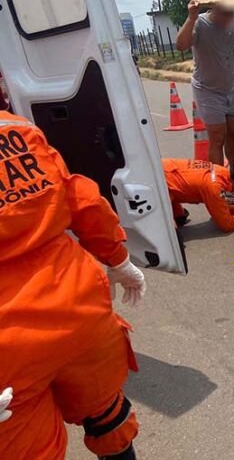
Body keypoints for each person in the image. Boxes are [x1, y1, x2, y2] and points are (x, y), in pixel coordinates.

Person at [0, 110, 146, 460]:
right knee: (108, 416)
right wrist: (119, 260)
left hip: (10, 348)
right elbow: (81, 198)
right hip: (79, 307)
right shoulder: (17, 127)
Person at [176, 0, 234, 165]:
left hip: (229, 89)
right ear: (214, 9)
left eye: (233, 14)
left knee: (233, 134)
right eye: (226, 15)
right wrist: (191, 17)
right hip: (207, 90)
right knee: (217, 137)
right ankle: (219, 177)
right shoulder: (200, 23)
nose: (230, 19)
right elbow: (181, 45)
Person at [163, 157, 234, 232]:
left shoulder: (220, 171)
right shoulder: (215, 187)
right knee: (171, 233)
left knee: (179, 218)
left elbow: (220, 204)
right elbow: (228, 225)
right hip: (161, 183)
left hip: (166, 172)